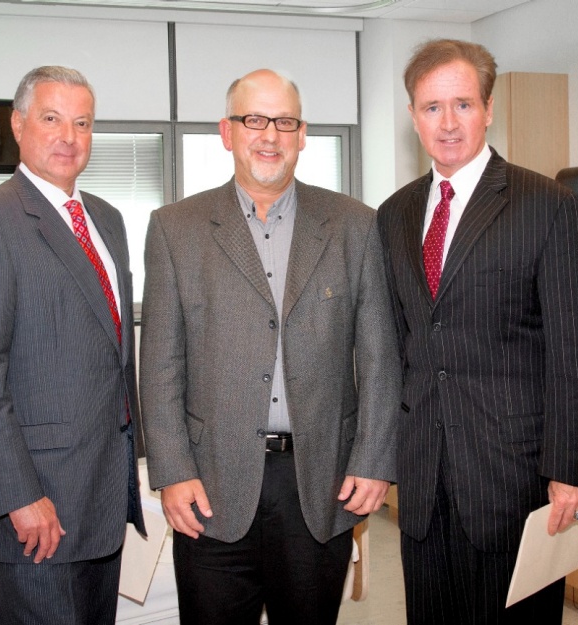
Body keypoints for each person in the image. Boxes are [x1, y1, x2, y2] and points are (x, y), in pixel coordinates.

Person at [139, 68, 401, 625]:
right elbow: (160, 362)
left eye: (284, 122)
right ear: (227, 131)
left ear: (303, 134)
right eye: (253, 120)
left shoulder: (355, 225)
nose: (269, 136)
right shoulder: (175, 228)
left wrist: (373, 460)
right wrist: (171, 469)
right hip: (210, 483)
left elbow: (379, 356)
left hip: (318, 481)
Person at [376, 39, 578, 624]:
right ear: (412, 116)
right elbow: (402, 345)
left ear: (489, 108)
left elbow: (575, 353)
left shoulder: (547, 205)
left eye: (463, 105)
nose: (447, 123)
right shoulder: (395, 214)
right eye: (431, 108)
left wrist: (571, 472)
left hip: (513, 478)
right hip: (424, 478)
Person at [0, 65, 145, 625]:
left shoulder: (107, 219)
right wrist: (18, 497)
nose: (69, 137)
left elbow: (112, 353)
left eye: (82, 123)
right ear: (19, 124)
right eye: (52, 119)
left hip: (100, 496)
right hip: (35, 505)